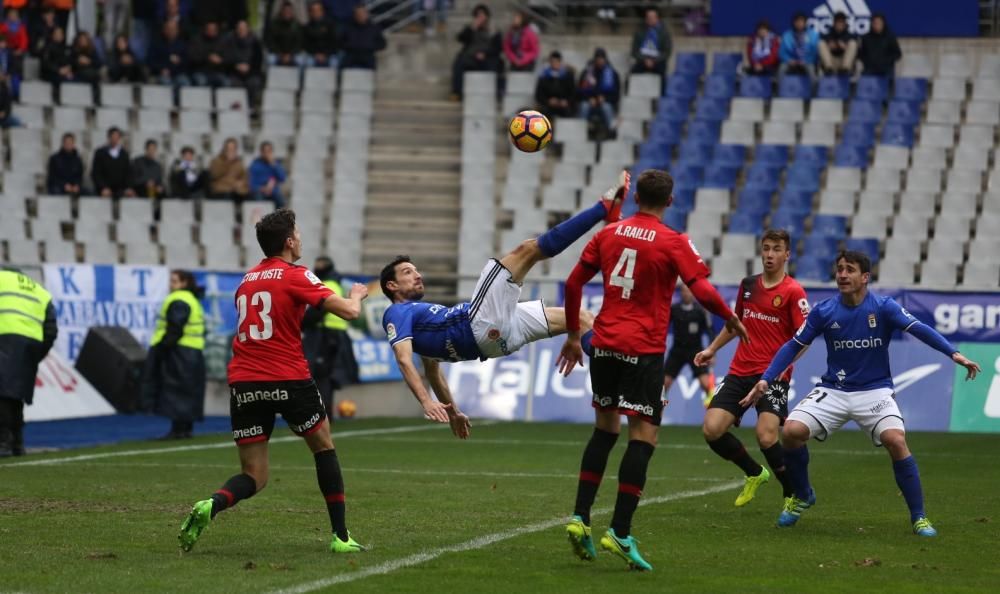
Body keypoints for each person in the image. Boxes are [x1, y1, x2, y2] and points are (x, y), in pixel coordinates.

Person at [557, 170, 749, 572]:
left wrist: (575, 335)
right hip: (642, 350)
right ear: (670, 200)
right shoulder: (673, 241)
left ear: (637, 197)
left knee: (604, 430)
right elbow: (702, 290)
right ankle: (621, 532)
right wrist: (730, 318)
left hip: (604, 344)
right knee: (643, 436)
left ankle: (579, 517)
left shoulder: (608, 233)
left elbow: (573, 283)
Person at [743, 251, 981, 536]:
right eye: (839, 269)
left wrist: (953, 353)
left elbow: (919, 328)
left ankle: (919, 517)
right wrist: (766, 379)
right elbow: (793, 345)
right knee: (792, 431)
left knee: (896, 439)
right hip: (834, 389)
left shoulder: (883, 307)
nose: (842, 274)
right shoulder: (824, 310)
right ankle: (803, 495)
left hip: (875, 390)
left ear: (865, 277)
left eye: (850, 270)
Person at [177, 208, 370, 554]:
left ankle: (212, 503)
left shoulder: (245, 281)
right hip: (288, 377)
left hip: (245, 382)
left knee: (255, 475)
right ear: (289, 241)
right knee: (324, 447)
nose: (301, 238)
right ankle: (341, 537)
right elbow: (349, 312)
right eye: (297, 232)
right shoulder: (296, 274)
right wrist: (357, 294)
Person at [380, 173, 636, 432]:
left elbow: (433, 373)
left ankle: (625, 370)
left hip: (498, 341)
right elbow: (403, 359)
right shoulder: (397, 312)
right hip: (478, 324)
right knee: (528, 250)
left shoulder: (421, 329)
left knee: (581, 319)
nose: (417, 274)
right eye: (407, 273)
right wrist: (426, 402)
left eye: (415, 270)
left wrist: (454, 412)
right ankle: (603, 209)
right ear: (392, 286)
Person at [694, 230, 810, 507]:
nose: (770, 254)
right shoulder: (748, 285)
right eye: (766, 248)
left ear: (786, 254)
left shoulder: (794, 292)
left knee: (766, 434)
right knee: (711, 429)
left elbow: (804, 338)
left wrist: (781, 370)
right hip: (739, 370)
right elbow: (736, 324)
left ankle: (791, 493)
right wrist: (712, 349)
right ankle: (754, 472)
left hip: (772, 376)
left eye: (776, 249)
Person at [0, 267, 57, 457]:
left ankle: (4, 443)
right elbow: (51, 329)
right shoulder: (38, 289)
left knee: (3, 393)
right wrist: (36, 354)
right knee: (15, 393)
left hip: (4, 336)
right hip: (31, 342)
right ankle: (17, 443)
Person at [142, 269, 206, 440]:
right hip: (193, 351)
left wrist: (163, 347)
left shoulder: (178, 300)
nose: (171, 284)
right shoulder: (192, 299)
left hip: (179, 351)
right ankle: (186, 429)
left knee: (176, 391)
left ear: (184, 283)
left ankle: (177, 430)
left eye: (175, 281)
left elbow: (175, 328)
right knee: (188, 391)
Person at [302, 256, 359, 420]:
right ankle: (326, 414)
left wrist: (300, 324)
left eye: (319, 265)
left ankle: (322, 414)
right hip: (335, 336)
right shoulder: (336, 282)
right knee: (327, 376)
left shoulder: (327, 284)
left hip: (324, 336)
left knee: (320, 376)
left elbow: (316, 313)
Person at [662, 283, 713, 404]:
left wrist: (712, 352)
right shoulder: (674, 309)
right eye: (684, 291)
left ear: (693, 293)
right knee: (663, 386)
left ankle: (712, 413)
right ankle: (658, 412)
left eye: (689, 291)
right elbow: (663, 327)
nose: (686, 294)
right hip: (677, 351)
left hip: (695, 352)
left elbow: (710, 331)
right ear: (681, 293)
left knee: (706, 385)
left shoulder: (700, 311)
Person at [451, 4, 500, 99]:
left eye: (482, 15)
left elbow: (497, 48)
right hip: (471, 58)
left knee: (495, 64)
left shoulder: (493, 30)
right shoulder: (471, 28)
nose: (480, 18)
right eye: (478, 15)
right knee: (459, 63)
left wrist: (485, 54)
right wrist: (472, 28)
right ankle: (457, 92)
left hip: (487, 58)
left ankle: (495, 93)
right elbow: (460, 38)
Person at [577, 47, 620, 140]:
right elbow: (579, 92)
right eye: (598, 59)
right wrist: (589, 98)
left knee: (607, 107)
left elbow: (616, 95)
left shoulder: (612, 74)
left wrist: (605, 99)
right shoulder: (587, 73)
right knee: (584, 106)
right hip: (590, 104)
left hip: (605, 103)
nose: (600, 61)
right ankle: (580, 133)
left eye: (602, 59)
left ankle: (612, 133)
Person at [224, 20, 263, 106]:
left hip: (251, 72)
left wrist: (249, 67)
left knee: (254, 83)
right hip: (234, 72)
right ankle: (237, 111)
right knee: (233, 83)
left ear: (248, 29)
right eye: (239, 28)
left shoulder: (255, 42)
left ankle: (251, 108)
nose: (241, 30)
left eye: (243, 28)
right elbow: (226, 59)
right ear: (236, 29)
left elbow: (258, 60)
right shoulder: (229, 42)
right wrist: (236, 66)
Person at [338, 4, 386, 70]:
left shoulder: (374, 27)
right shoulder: (348, 27)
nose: (360, 16)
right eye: (358, 14)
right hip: (351, 53)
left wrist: (371, 46)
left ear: (366, 14)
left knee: (373, 69)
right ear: (354, 15)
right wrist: (348, 46)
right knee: (342, 67)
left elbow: (382, 44)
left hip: (367, 54)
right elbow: (340, 41)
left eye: (362, 13)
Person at [92, 127, 135, 198]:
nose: (115, 139)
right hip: (104, 189)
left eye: (117, 137)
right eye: (113, 137)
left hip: (121, 189)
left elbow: (128, 172)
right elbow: (96, 173)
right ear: (109, 137)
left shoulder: (124, 154)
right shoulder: (100, 153)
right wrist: (103, 187)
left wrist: (128, 187)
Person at [535, 50, 576, 119]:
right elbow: (538, 95)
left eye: (556, 61)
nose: (554, 64)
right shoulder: (544, 76)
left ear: (560, 62)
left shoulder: (568, 75)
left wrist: (566, 101)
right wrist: (548, 101)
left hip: (564, 105)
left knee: (569, 113)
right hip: (548, 105)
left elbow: (573, 93)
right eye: (552, 62)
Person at [630, 7, 670, 75]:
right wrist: (645, 60)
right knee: (631, 76)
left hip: (658, 62)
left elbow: (666, 52)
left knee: (662, 75)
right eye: (648, 17)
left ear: (657, 19)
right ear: (645, 19)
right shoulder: (639, 32)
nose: (650, 19)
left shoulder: (664, 33)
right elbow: (634, 51)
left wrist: (654, 60)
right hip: (642, 61)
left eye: (652, 17)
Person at [148, 20, 190, 87]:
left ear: (178, 31)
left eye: (173, 29)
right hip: (161, 74)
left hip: (178, 73)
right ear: (164, 30)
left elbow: (187, 61)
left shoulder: (182, 45)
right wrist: (161, 69)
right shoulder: (156, 44)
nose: (171, 31)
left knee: (185, 82)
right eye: (169, 29)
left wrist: (180, 61)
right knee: (166, 83)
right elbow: (150, 61)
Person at [189, 21, 228, 87]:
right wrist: (207, 58)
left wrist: (221, 61)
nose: (211, 31)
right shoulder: (197, 41)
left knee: (226, 82)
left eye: (213, 30)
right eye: (209, 29)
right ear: (205, 30)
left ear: (217, 31)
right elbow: (192, 57)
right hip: (200, 71)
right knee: (201, 81)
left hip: (217, 72)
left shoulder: (222, 42)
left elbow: (228, 58)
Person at [248, 141, 287, 208]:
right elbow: (252, 184)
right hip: (259, 191)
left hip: (273, 192)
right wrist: (262, 189)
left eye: (269, 151)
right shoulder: (255, 165)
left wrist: (274, 165)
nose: (267, 154)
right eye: (265, 151)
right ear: (261, 152)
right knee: (259, 200)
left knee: (280, 201)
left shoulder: (276, 164)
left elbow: (282, 178)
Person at [779, 12, 819, 77]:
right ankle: (776, 85)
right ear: (794, 23)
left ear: (805, 23)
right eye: (797, 21)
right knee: (782, 67)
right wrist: (789, 60)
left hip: (807, 62)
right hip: (791, 62)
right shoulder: (787, 35)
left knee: (812, 73)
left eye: (801, 21)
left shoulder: (813, 35)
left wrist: (806, 60)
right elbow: (782, 52)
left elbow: (814, 52)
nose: (799, 24)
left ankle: (815, 86)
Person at [266, 1, 302, 67]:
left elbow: (299, 43)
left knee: (300, 60)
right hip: (278, 54)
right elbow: (271, 42)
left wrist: (290, 55)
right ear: (281, 11)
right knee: (270, 59)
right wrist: (280, 54)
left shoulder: (297, 25)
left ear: (292, 12)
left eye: (289, 11)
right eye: (285, 10)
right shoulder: (274, 24)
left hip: (292, 54)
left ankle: (299, 77)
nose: (287, 13)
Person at [302, 1, 337, 68]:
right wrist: (315, 54)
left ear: (322, 12)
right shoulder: (307, 27)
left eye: (318, 10)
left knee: (334, 62)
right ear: (310, 13)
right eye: (313, 11)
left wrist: (325, 55)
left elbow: (334, 43)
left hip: (328, 55)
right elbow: (306, 44)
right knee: (307, 61)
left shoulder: (330, 26)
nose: (316, 13)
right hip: (312, 55)